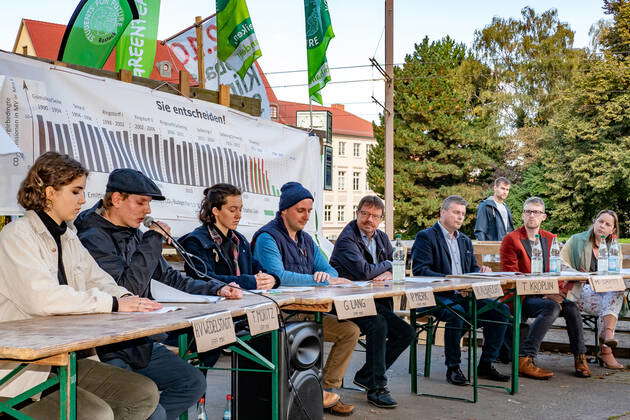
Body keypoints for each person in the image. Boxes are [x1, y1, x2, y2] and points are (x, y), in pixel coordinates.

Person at [0, 152, 160, 420]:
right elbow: (43, 299)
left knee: (142, 392)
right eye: (76, 191)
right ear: (50, 192)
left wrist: (130, 299)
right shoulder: (16, 235)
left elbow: (98, 279)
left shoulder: (68, 235)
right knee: (96, 415)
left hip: (64, 356)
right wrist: (115, 304)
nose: (84, 200)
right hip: (21, 368)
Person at [75, 168, 242, 420]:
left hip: (139, 341)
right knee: (154, 410)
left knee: (192, 383)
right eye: (141, 202)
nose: (148, 211)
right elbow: (126, 288)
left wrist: (217, 287)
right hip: (106, 347)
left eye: (149, 204)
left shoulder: (134, 234)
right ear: (117, 199)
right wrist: (152, 241)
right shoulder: (91, 236)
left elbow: (171, 277)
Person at [252, 182, 359, 415]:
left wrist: (325, 276)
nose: (306, 216)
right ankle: (316, 394)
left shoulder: (307, 240)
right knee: (312, 337)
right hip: (279, 316)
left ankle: (326, 391)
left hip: (309, 312)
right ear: (284, 211)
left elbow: (331, 272)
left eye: (310, 211)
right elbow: (277, 275)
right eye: (301, 210)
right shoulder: (267, 238)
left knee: (349, 332)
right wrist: (316, 279)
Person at [411, 195, 510, 386]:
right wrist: (453, 281)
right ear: (443, 212)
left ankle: (486, 364)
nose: (460, 217)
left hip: (463, 295)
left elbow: (470, 268)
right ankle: (453, 367)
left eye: (463, 214)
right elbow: (421, 271)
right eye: (456, 212)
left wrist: (481, 271)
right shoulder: (426, 236)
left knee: (501, 311)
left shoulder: (464, 240)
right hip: (436, 297)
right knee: (458, 313)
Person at [330, 195, 415, 408]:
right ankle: (376, 387)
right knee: (379, 324)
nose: (369, 220)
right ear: (357, 213)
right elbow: (365, 272)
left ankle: (367, 375)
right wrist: (387, 263)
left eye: (375, 216)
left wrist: (387, 269)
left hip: (373, 301)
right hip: (346, 302)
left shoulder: (382, 237)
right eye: (365, 214)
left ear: (380, 219)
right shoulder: (347, 239)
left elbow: (395, 270)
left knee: (407, 333)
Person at [500, 197, 591, 379]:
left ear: (544, 216)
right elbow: (511, 276)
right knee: (552, 306)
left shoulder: (550, 239)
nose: (531, 215)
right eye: (528, 211)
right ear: (523, 215)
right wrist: (545, 293)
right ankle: (525, 359)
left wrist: (568, 283)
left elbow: (559, 268)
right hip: (521, 297)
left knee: (571, 308)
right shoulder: (512, 239)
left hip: (546, 294)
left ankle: (580, 357)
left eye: (536, 212)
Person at [180, 183, 277, 290]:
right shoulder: (196, 241)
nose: (238, 215)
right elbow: (203, 278)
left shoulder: (240, 240)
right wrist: (248, 282)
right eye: (232, 210)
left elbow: (258, 268)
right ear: (215, 211)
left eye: (240, 209)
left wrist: (272, 279)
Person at [560, 210, 625, 369]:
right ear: (595, 222)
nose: (602, 226)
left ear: (613, 230)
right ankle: (606, 349)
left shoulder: (614, 247)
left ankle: (607, 334)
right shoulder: (576, 240)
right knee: (611, 299)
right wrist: (576, 274)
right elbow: (560, 263)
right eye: (600, 221)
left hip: (604, 295)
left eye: (607, 224)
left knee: (616, 290)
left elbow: (616, 274)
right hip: (579, 291)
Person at [474, 177, 514, 241]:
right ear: (495, 188)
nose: (505, 192)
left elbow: (509, 230)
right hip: (491, 246)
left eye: (507, 189)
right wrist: (484, 248)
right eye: (503, 188)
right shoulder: (485, 205)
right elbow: (480, 230)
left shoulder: (506, 208)